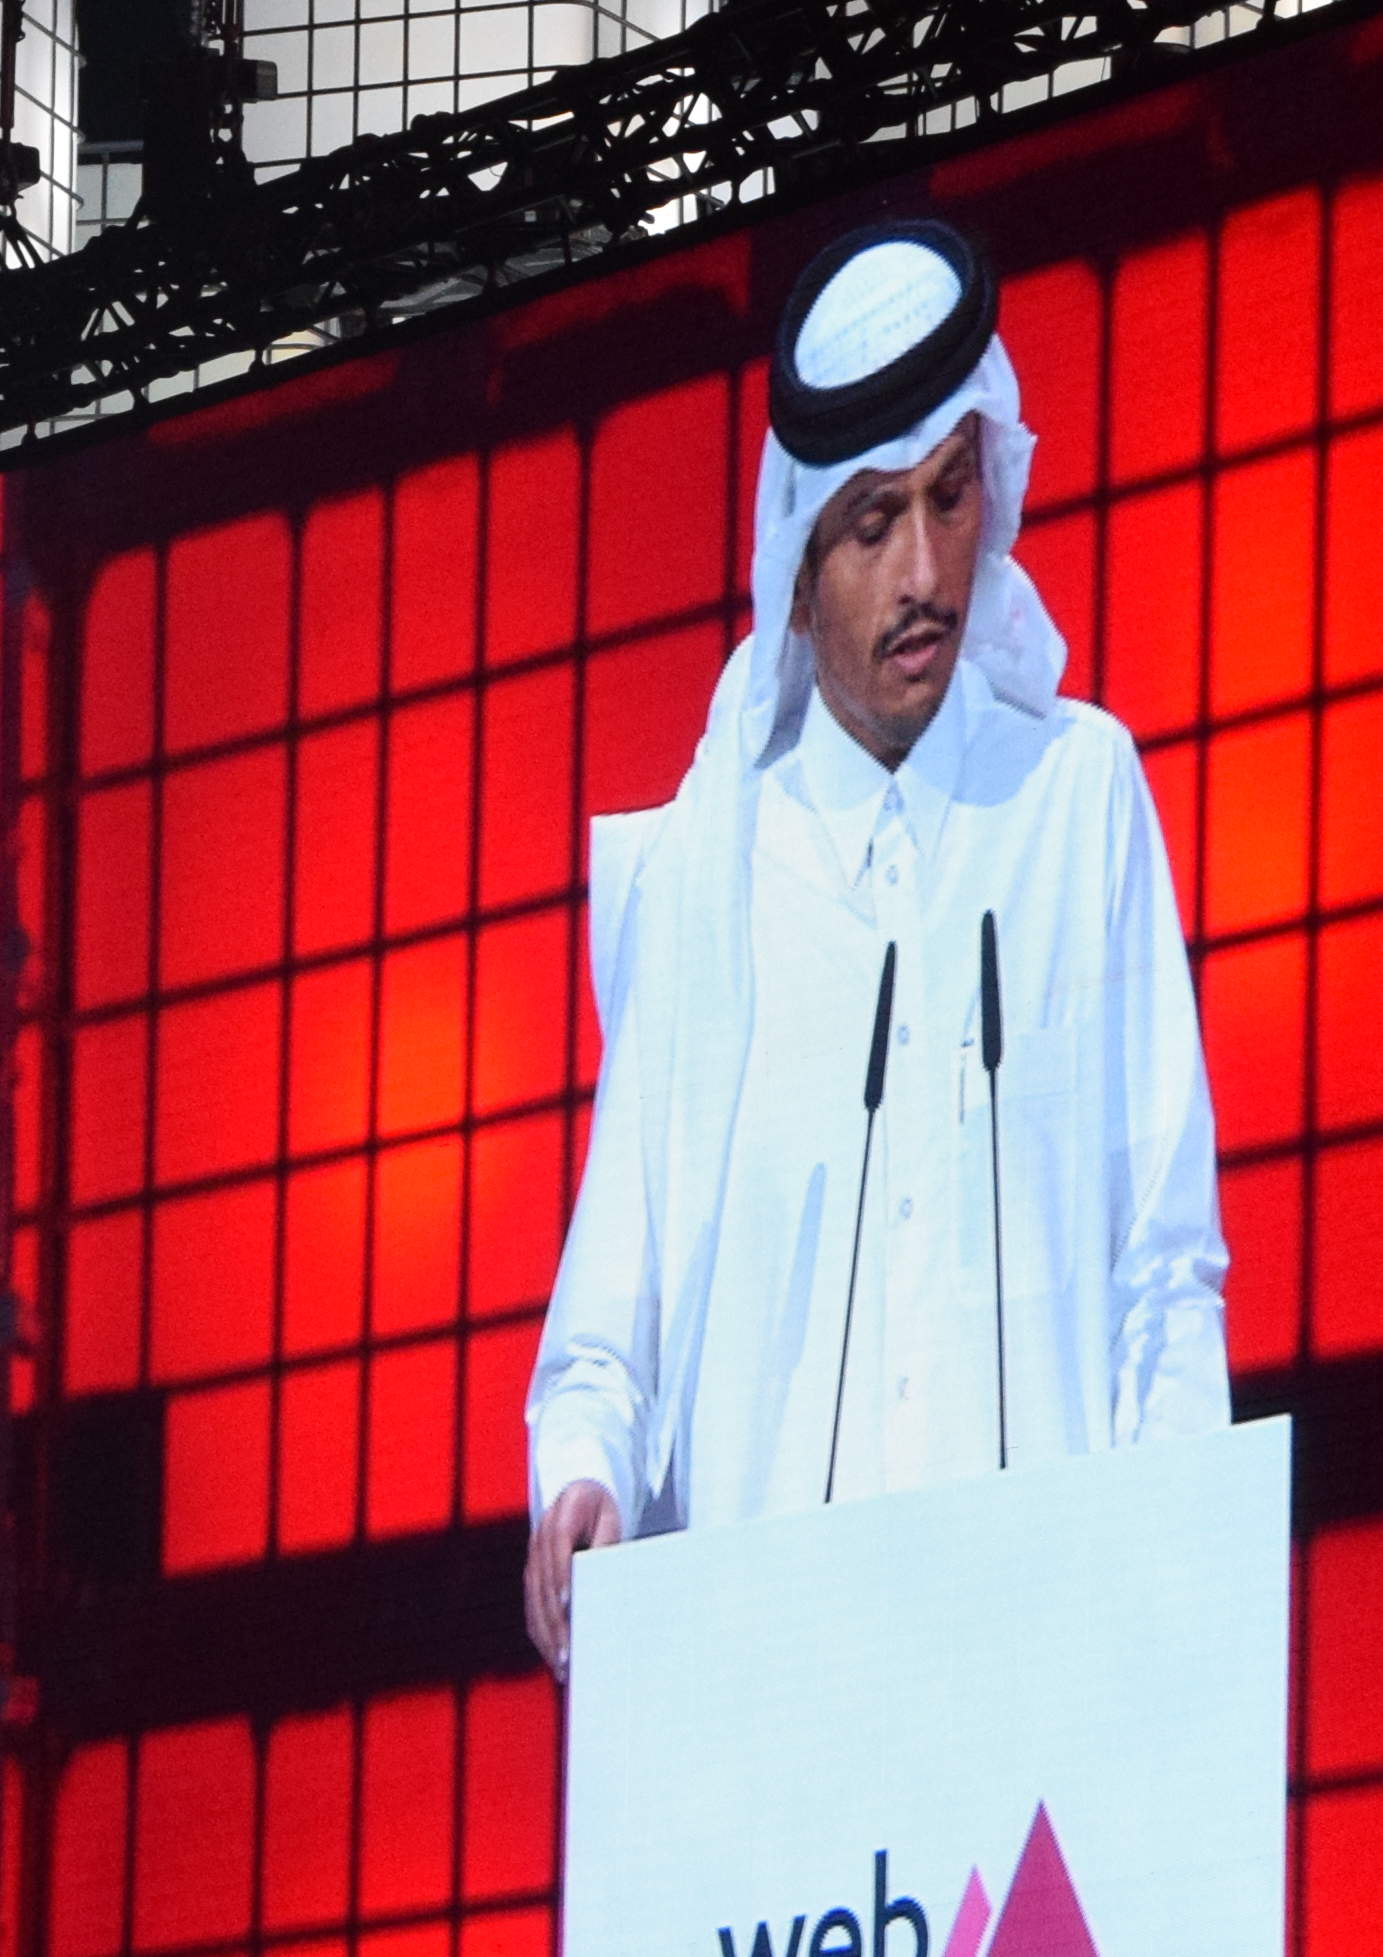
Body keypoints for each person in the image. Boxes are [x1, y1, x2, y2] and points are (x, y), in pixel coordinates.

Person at [519, 216, 1234, 1667]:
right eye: (873, 522)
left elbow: (1164, 1273)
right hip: (775, 1712)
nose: (925, 569)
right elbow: (609, 1335)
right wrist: (580, 1484)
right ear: (801, 557)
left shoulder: (1077, 798)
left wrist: (1177, 1597)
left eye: (952, 498)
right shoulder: (708, 876)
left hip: (1046, 1661)